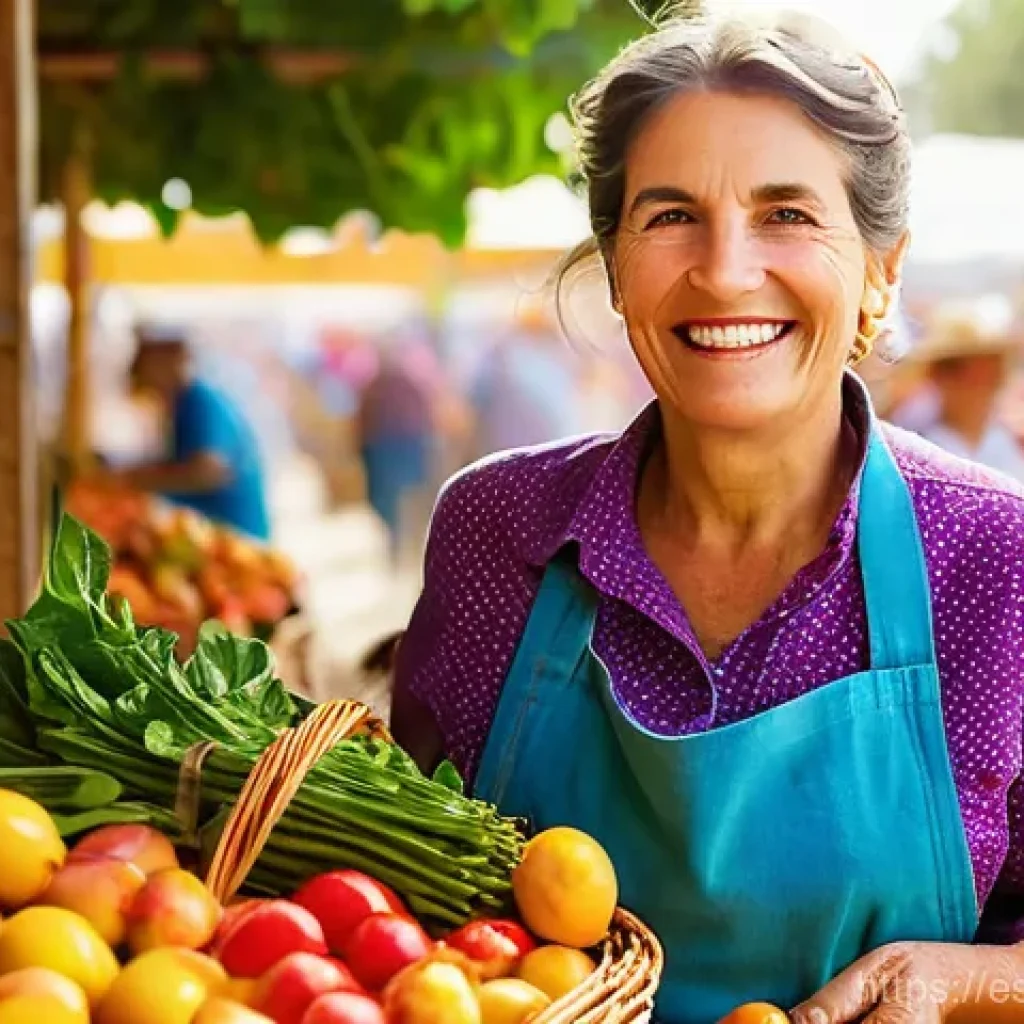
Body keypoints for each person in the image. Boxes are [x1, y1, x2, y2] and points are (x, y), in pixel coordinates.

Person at [390, 10, 1024, 1024]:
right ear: (613, 264)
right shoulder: (492, 532)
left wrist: (962, 980)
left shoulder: (998, 559)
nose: (725, 270)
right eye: (671, 214)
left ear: (882, 268)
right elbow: (402, 902)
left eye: (786, 215)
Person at [104, 327, 271, 540]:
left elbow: (207, 471)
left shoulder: (201, 402)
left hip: (236, 538)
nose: (136, 367)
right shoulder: (181, 406)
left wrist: (131, 479)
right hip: (210, 535)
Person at [902, 309, 1024, 481]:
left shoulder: (1007, 442)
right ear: (940, 376)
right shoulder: (916, 446)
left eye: (993, 366)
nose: (985, 380)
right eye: (970, 370)